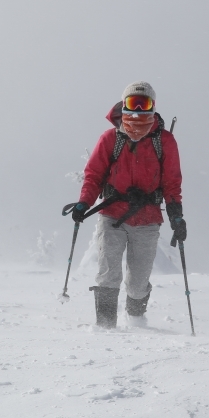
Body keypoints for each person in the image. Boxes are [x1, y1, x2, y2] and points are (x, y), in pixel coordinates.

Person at [68, 81, 186, 329]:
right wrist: (83, 203)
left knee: (137, 282)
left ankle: (136, 323)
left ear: (153, 108)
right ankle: (105, 327)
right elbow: (94, 176)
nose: (138, 111)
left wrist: (176, 216)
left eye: (145, 104)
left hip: (148, 219)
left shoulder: (164, 141)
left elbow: (172, 184)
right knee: (108, 274)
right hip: (112, 215)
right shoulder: (111, 138)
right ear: (124, 104)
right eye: (133, 103)